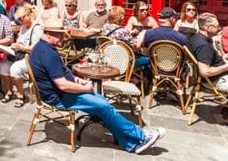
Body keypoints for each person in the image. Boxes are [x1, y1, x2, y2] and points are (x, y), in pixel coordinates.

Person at [29, 18, 165, 154]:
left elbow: (62, 74)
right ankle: (141, 136)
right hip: (60, 97)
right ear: (48, 34)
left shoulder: (42, 47)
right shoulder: (48, 53)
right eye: (59, 35)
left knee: (103, 104)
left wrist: (78, 80)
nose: (63, 38)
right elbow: (63, 85)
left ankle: (131, 143)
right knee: (104, 107)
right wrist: (85, 88)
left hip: (61, 93)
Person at [1, 5, 42, 107]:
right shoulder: (23, 27)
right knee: (3, 64)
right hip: (20, 54)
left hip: (31, 57)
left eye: (21, 18)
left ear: (29, 15)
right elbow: (19, 42)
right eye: (19, 19)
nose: (20, 20)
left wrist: (21, 47)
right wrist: (14, 46)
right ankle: (9, 91)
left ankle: (20, 95)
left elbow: (36, 48)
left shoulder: (37, 28)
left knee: (15, 69)